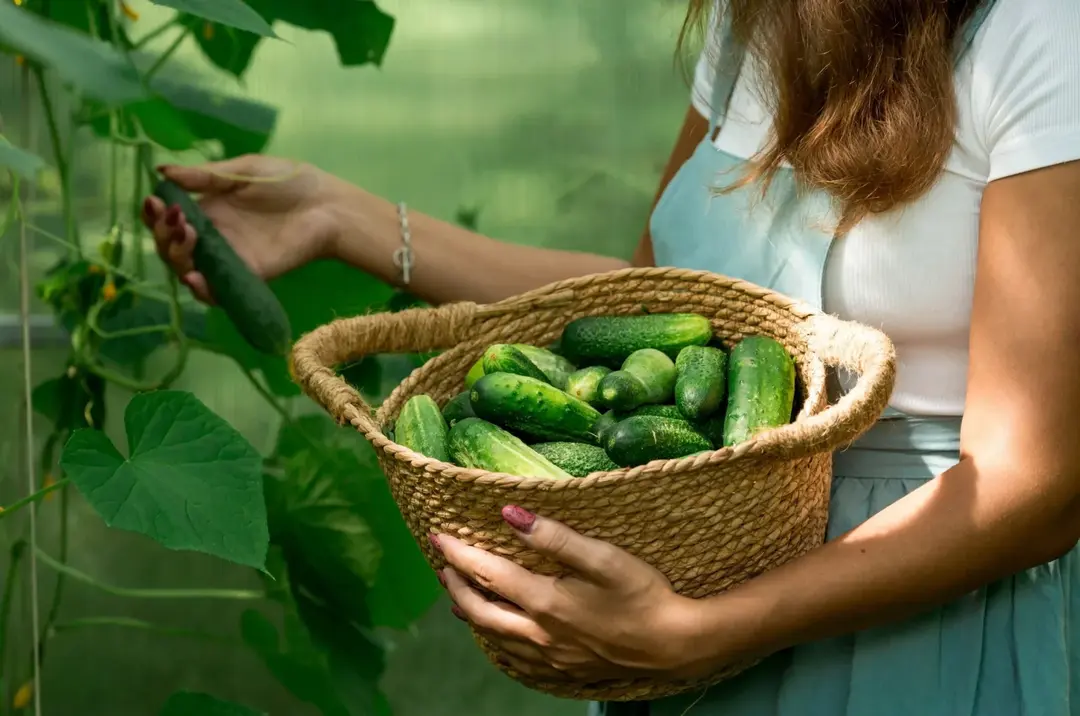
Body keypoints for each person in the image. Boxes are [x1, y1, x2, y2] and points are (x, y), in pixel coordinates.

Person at [143, 0, 1080, 713]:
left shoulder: (1038, 31)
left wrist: (709, 632)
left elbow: (1033, 487)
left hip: (913, 612)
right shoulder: (747, 18)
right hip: (682, 566)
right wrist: (335, 216)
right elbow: (641, 308)